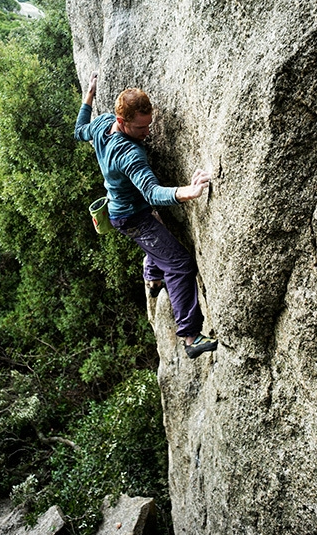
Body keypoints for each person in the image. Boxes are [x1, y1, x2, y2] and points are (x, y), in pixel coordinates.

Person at [74, 75, 218, 359]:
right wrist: (188, 192)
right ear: (122, 119)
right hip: (133, 217)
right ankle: (190, 337)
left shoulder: (102, 125)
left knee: (158, 233)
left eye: (149, 124)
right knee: (179, 264)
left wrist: (88, 96)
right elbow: (151, 193)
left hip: (125, 210)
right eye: (141, 127)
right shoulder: (129, 154)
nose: (147, 132)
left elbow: (79, 129)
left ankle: (152, 279)